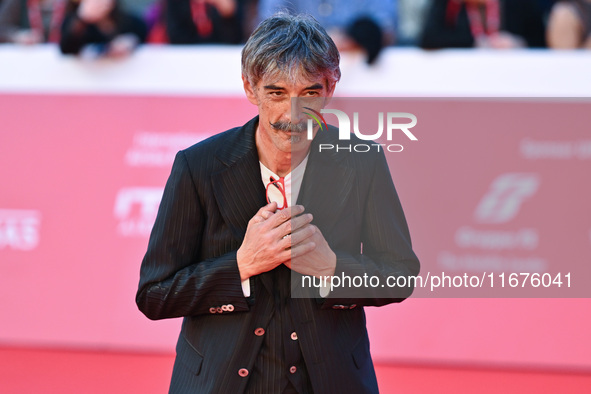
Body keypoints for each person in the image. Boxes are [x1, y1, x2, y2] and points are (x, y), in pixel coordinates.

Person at [136, 12, 420, 394]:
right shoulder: (198, 166)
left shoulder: (362, 160)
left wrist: (333, 268)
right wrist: (241, 265)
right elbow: (155, 294)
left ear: (331, 87)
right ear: (250, 88)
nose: (294, 113)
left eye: (310, 93)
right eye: (276, 93)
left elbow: (399, 274)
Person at [420, 0, 546, 49]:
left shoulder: (519, 4)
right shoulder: (450, 4)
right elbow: (429, 38)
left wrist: (520, 43)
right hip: (464, 77)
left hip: (514, 77)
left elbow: (542, 41)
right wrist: (474, 42)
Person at [59, 0, 147, 56]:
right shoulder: (73, 22)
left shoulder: (131, 21)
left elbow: (144, 37)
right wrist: (83, 19)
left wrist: (131, 41)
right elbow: (66, 49)